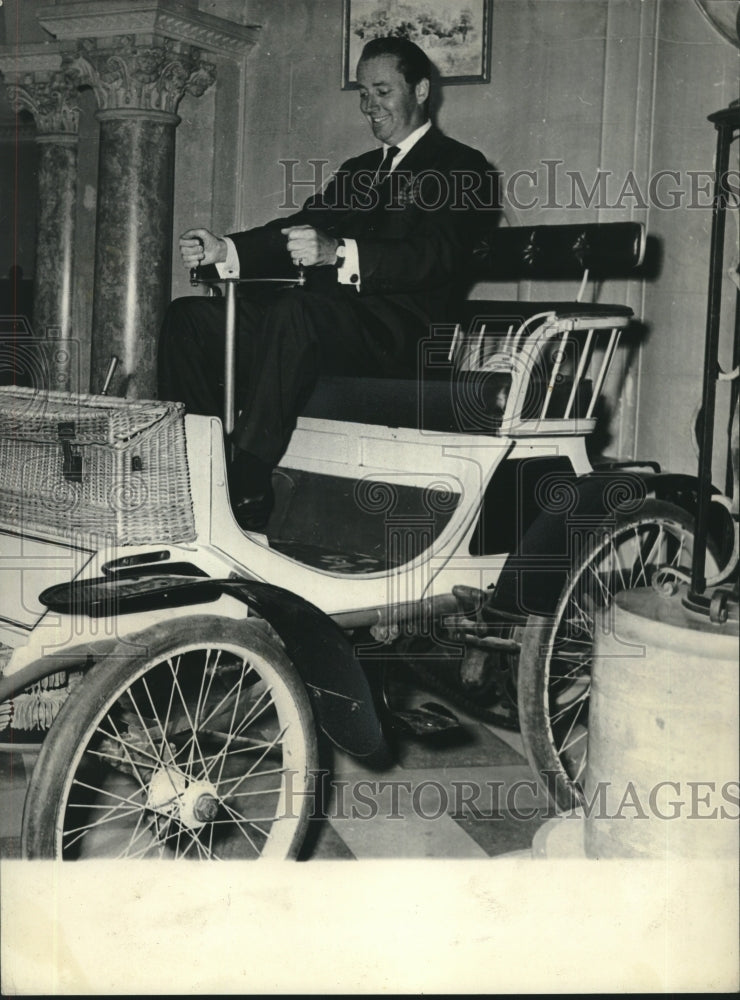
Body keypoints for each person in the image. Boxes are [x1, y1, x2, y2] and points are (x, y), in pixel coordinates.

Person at [158, 35, 498, 530]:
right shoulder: (360, 172)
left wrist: (338, 251)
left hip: (402, 338)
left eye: (381, 91)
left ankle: (245, 483)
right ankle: (194, 469)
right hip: (327, 329)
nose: (369, 106)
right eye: (363, 93)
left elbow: (435, 257)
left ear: (421, 89)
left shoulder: (462, 167)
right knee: (189, 317)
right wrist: (226, 249)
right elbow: (301, 223)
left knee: (296, 311)